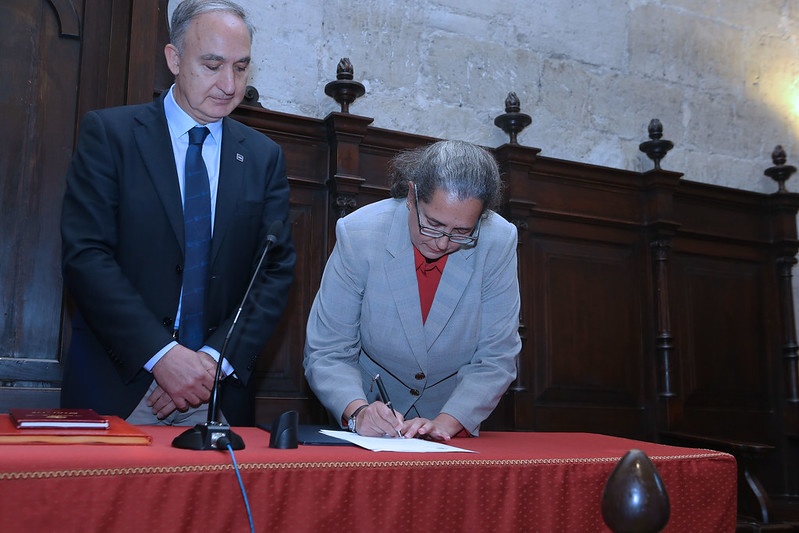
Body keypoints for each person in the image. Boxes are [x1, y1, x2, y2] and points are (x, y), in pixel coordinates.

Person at [60, 0, 295, 427]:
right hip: (121, 386)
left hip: (216, 393)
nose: (229, 84)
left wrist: (212, 362)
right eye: (212, 65)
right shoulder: (111, 135)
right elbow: (86, 256)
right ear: (174, 59)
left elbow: (273, 273)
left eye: (241, 67)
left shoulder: (264, 157)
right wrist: (163, 357)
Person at [303, 140, 521, 440]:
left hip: (450, 417)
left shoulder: (498, 240)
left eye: (462, 232)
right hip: (369, 416)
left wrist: (447, 422)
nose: (442, 243)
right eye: (432, 224)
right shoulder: (360, 233)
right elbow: (328, 349)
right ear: (411, 196)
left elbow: (497, 355)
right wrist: (358, 412)